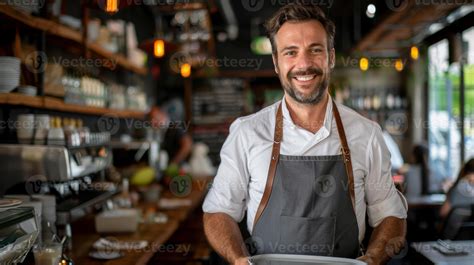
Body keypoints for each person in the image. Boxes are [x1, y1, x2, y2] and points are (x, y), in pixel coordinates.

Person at [202, 3, 407, 265]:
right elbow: (218, 211)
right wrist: (239, 259)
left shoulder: (366, 134)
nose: (304, 64)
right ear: (276, 62)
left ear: (331, 57)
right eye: (291, 52)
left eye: (315, 50)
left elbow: (392, 216)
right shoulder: (247, 132)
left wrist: (372, 260)